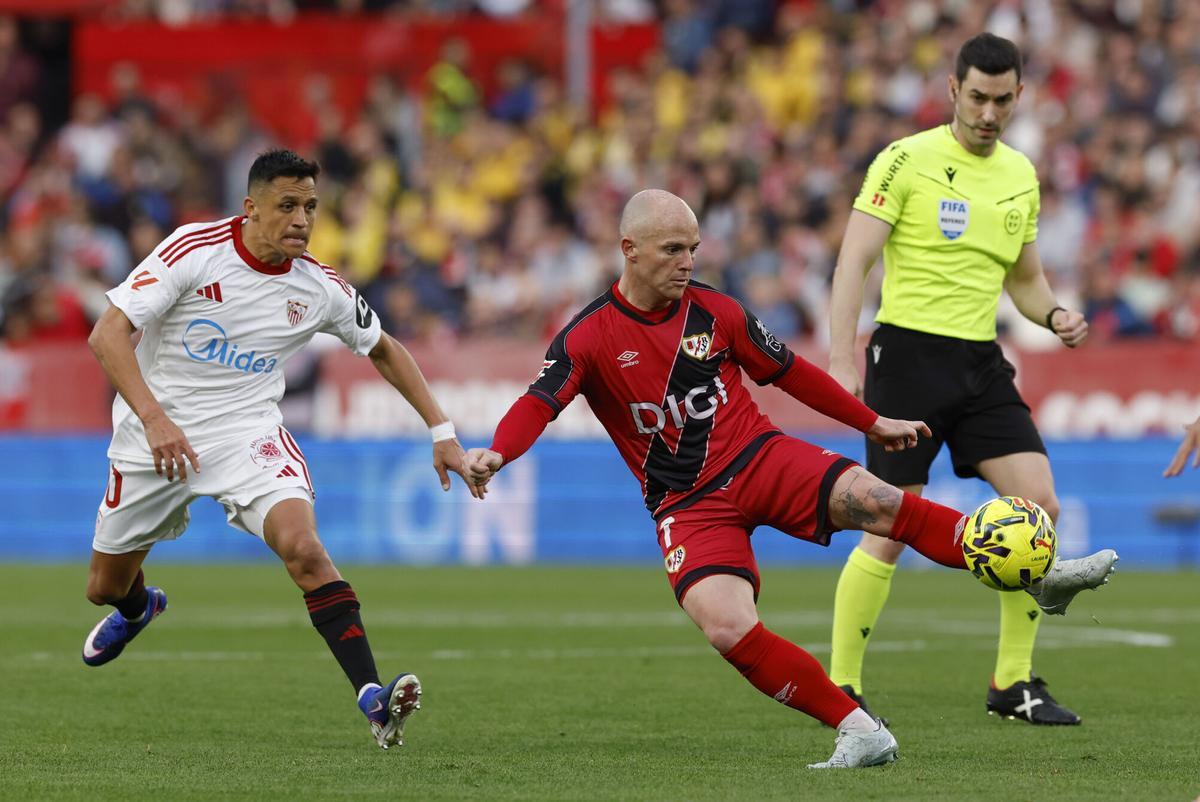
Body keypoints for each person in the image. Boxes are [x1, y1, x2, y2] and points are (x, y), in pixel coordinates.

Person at [463, 189, 1116, 768]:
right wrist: (498, 452)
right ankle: (859, 730)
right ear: (629, 250)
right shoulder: (588, 336)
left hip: (760, 457)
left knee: (881, 500)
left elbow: (790, 373)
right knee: (725, 625)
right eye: (672, 249)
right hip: (687, 504)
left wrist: (871, 420)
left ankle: (1039, 574)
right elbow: (537, 403)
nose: (688, 261)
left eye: (693, 247)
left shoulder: (716, 311)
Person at [82, 149, 482, 750]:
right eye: (287, 205)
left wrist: (442, 432)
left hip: (247, 433)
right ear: (251, 208)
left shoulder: (318, 287)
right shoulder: (194, 249)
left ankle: (373, 700)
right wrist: (155, 417)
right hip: (152, 435)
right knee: (105, 586)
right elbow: (107, 333)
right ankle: (139, 609)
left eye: (312, 207)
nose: (302, 220)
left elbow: (384, 348)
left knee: (305, 550)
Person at [824, 33, 1116, 727]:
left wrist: (1057, 314)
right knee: (888, 524)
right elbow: (854, 260)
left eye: (1003, 99)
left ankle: (1012, 685)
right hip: (907, 358)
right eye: (977, 97)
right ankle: (841, 688)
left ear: (1020, 96)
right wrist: (842, 358)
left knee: (1039, 508)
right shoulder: (905, 160)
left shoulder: (1019, 174)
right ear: (953, 90)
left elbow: (1025, 282)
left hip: (980, 364)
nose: (988, 113)